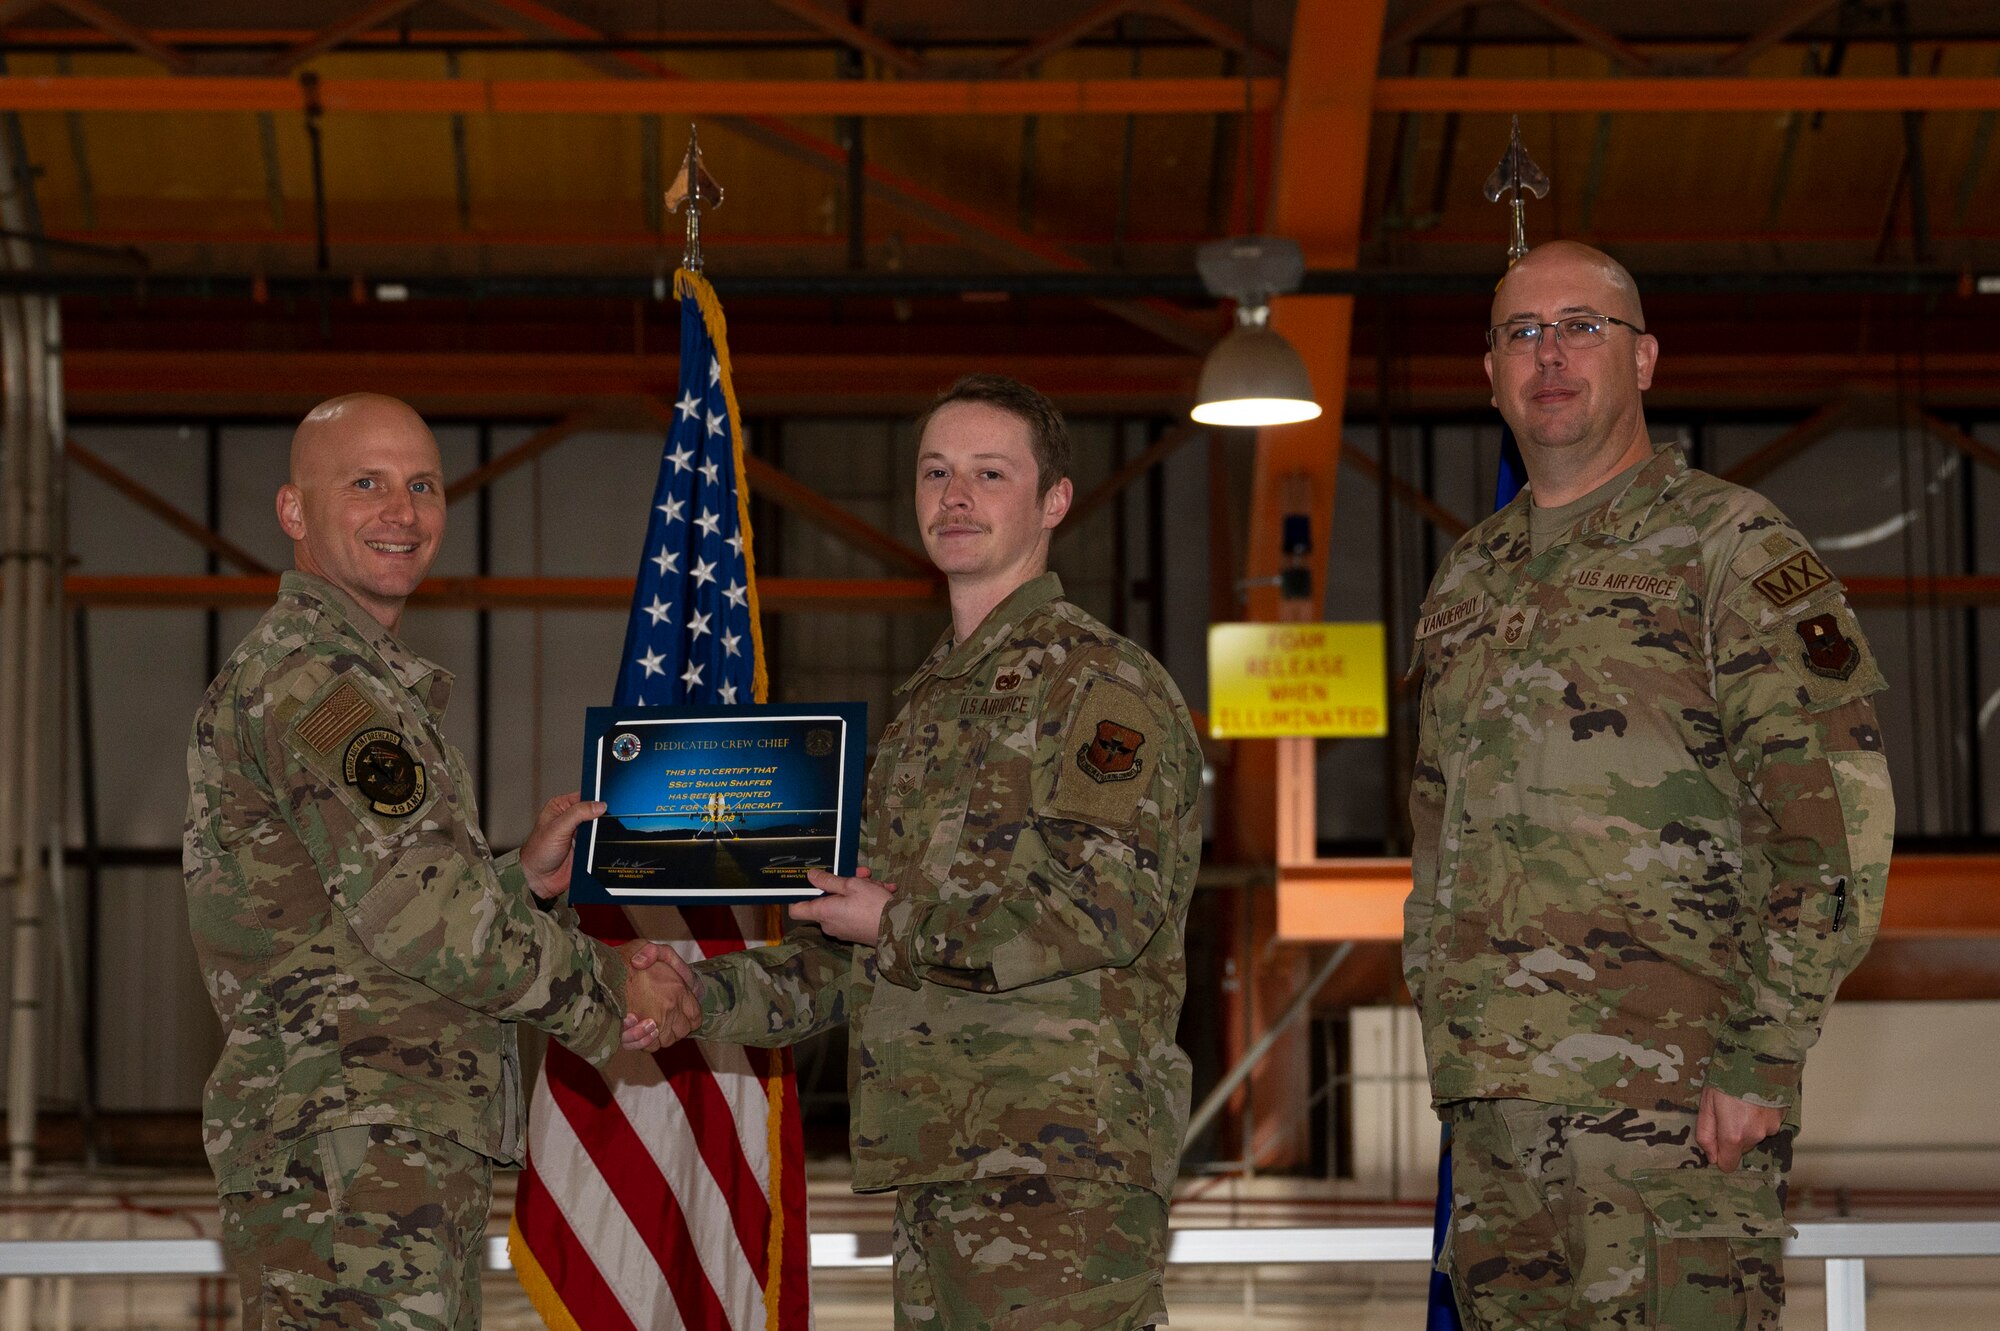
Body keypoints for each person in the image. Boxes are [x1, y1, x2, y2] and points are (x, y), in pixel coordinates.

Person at [629, 374, 1203, 1331]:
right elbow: (853, 954)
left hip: (1059, 1172)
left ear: (1053, 500)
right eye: (937, 472)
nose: (956, 497)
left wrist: (892, 921)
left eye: (989, 473)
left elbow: (1108, 905)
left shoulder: (1099, 684)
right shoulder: (925, 710)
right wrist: (702, 995)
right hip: (940, 1166)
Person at [1404, 241, 1894, 1329]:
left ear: (1646, 358)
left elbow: (1836, 824)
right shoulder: (1467, 576)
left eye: (1582, 325)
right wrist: (1448, 1031)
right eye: (1520, 333)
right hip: (1494, 1114)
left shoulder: (1729, 545)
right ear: (1487, 374)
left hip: (1672, 1108)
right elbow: (1436, 830)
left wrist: (1759, 1058)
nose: (1549, 355)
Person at [184, 392, 700, 1329]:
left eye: (423, 484)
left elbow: (361, 922)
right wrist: (609, 987)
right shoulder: (324, 682)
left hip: (374, 1139)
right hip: (355, 1146)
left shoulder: (352, 674)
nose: (404, 511)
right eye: (366, 483)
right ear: (295, 512)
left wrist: (521, 881)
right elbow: (430, 920)